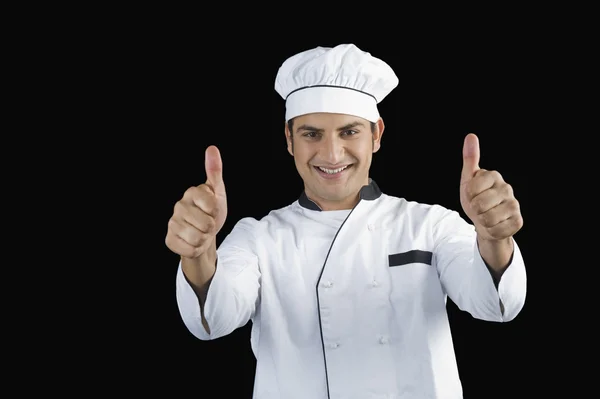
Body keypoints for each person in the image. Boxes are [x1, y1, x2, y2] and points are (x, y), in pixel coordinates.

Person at [165, 43, 527, 399]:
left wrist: (494, 237)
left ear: (376, 135)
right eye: (311, 134)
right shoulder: (259, 238)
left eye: (349, 132)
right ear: (289, 140)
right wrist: (197, 253)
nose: (332, 154)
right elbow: (212, 321)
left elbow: (495, 305)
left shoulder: (430, 225)